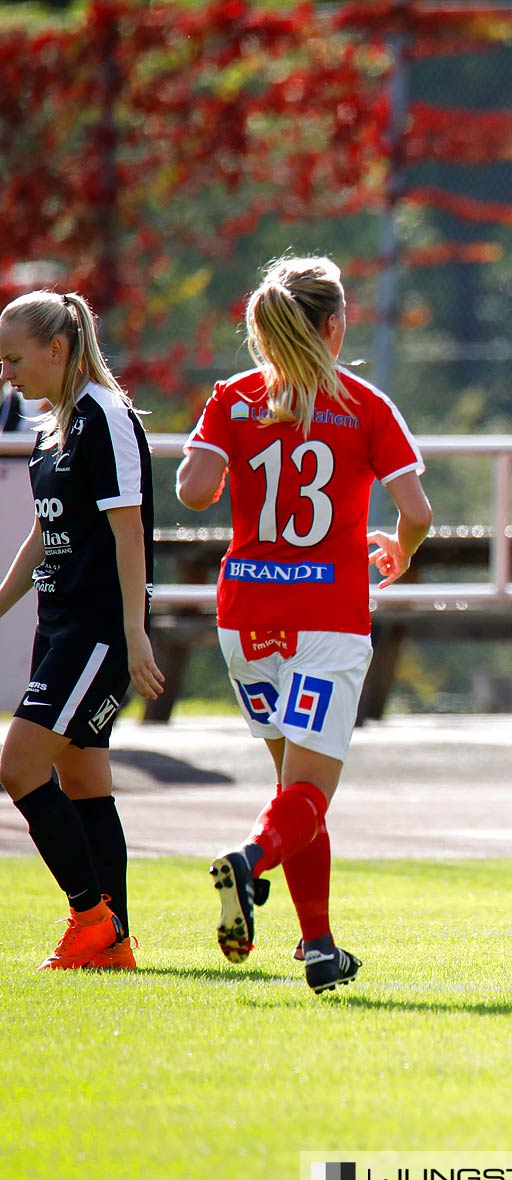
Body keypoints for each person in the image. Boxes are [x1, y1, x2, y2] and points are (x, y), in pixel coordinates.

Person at [176, 256, 432, 995]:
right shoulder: (365, 404)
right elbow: (415, 512)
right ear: (335, 326)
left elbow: (194, 492)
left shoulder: (235, 398)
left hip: (248, 614)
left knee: (294, 783)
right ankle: (249, 863)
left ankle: (319, 946)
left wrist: (233, 454)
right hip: (327, 616)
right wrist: (400, 550)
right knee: (308, 792)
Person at [0, 290, 160, 969]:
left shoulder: (105, 414)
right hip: (60, 623)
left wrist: (135, 633)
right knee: (86, 782)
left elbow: (129, 534)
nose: (7, 374)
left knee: (17, 766)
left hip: (96, 632)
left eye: (14, 358)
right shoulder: (53, 421)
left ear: (57, 349)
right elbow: (46, 528)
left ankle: (90, 919)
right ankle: (113, 941)